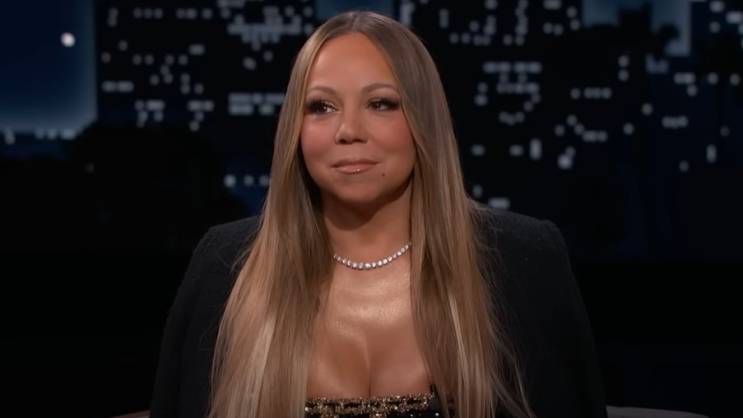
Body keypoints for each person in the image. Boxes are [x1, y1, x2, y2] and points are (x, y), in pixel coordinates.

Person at [150, 11, 607, 418]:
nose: (349, 130)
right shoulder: (225, 266)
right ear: (295, 128)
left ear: (423, 121)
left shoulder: (522, 260)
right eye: (322, 107)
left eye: (381, 103)